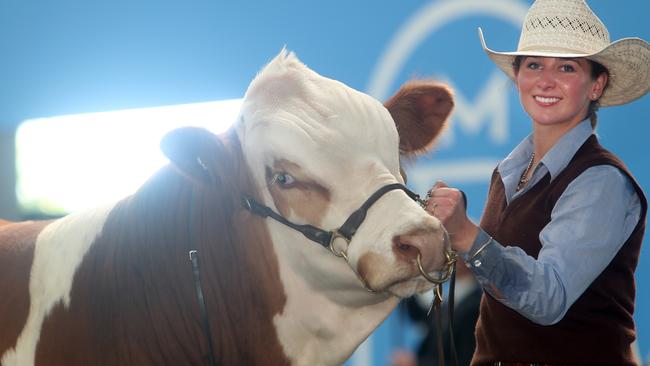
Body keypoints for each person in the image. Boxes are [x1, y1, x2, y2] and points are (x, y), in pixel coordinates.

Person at [424, 0, 649, 364]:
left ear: (597, 85)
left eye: (566, 67)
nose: (546, 80)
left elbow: (548, 297)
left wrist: (467, 235)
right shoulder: (508, 172)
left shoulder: (601, 180)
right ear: (517, 77)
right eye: (534, 65)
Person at [391, 262, 482, 366]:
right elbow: (421, 317)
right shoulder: (454, 296)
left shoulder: (475, 306)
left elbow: (466, 362)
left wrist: (416, 364)